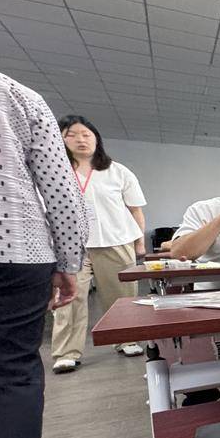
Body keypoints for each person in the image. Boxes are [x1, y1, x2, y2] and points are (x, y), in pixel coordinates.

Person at [0, 2, 87, 438]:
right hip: (12, 249)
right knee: (10, 368)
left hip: (9, 251)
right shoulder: (16, 95)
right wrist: (69, 261)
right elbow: (61, 193)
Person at [49, 115, 148, 373]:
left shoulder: (117, 171)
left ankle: (127, 340)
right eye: (72, 135)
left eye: (86, 134)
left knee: (122, 295)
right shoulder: (53, 170)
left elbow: (135, 210)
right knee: (70, 299)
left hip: (116, 240)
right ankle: (66, 352)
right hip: (71, 246)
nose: (80, 139)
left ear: (97, 139)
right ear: (60, 140)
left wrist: (139, 242)